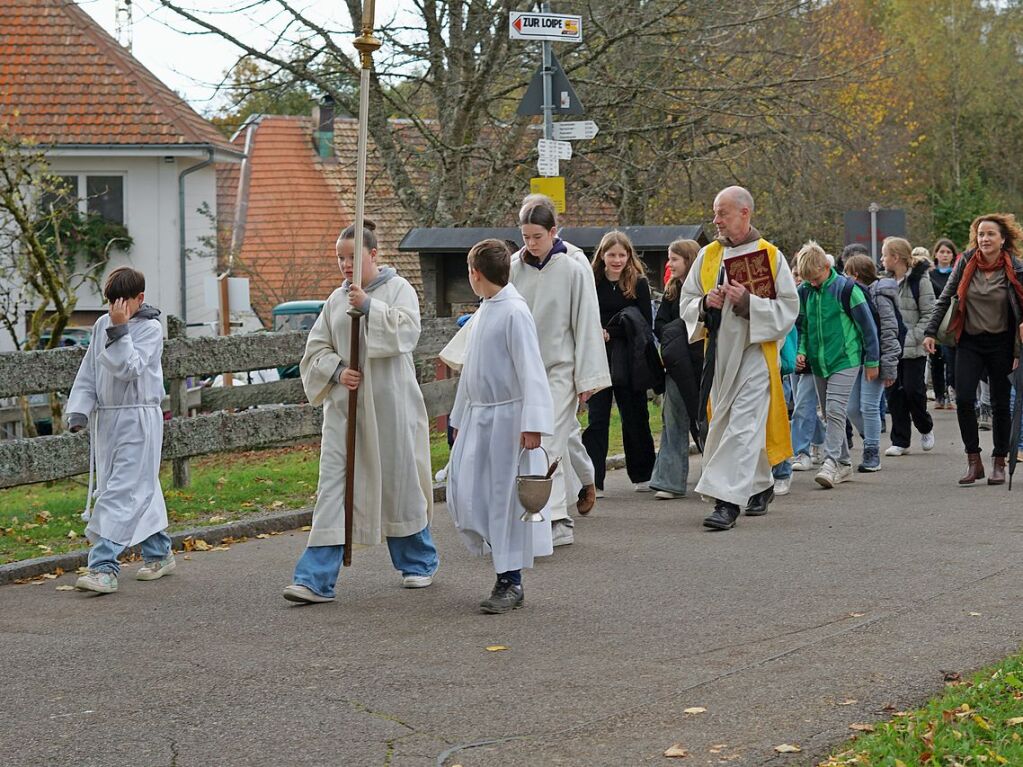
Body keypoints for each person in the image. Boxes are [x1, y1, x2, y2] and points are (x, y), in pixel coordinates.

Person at [283, 221, 438, 604]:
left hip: (390, 406)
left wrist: (369, 307)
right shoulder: (335, 301)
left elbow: (407, 333)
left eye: (352, 257)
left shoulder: (398, 289)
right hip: (344, 412)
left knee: (397, 482)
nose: (344, 264)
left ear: (373, 255)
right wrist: (338, 370)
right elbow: (314, 351)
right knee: (334, 487)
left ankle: (418, 561)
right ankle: (315, 578)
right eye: (339, 257)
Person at [680, 186, 799, 530]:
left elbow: (790, 309)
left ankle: (727, 502)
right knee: (726, 424)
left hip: (756, 353)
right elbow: (687, 300)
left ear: (745, 213)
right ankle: (761, 485)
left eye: (723, 213)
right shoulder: (707, 256)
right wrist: (706, 303)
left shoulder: (771, 255)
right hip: (720, 355)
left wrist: (749, 303)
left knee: (743, 425)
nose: (716, 220)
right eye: (716, 212)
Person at [447, 240, 553, 614]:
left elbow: (531, 369)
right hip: (480, 417)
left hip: (508, 420)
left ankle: (510, 581)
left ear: (476, 273)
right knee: (469, 492)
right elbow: (471, 371)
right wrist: (459, 418)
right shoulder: (486, 309)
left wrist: (533, 424)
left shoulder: (513, 312)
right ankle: (499, 562)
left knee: (505, 500)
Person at [510, 197, 610, 546]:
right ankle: (535, 514)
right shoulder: (513, 268)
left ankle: (556, 519)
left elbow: (586, 323)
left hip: (559, 370)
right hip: (522, 371)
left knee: (547, 441)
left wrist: (588, 379)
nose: (531, 244)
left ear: (554, 231)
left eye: (537, 236)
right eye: (525, 237)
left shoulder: (573, 267)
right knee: (528, 443)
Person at [67, 267, 172, 594]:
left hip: (139, 419)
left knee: (123, 490)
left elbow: (129, 368)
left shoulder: (150, 329)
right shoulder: (102, 324)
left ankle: (103, 567)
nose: (115, 310)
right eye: (111, 302)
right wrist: (79, 410)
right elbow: (90, 370)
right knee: (138, 485)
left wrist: (120, 330)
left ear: (139, 299)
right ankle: (160, 552)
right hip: (109, 421)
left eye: (122, 303)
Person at [924, 213, 1023, 485]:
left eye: (990, 234)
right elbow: (946, 298)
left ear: (1003, 239)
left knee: (1001, 404)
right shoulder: (966, 262)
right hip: (968, 341)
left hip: (1002, 344)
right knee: (965, 398)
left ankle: (999, 461)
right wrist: (931, 331)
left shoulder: (1015, 267)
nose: (985, 238)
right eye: (980, 234)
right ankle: (973, 460)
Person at [795, 243, 879, 488]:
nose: (813, 283)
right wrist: (801, 351)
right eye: (807, 279)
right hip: (819, 362)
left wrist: (872, 361)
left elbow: (868, 327)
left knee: (833, 408)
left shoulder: (848, 289)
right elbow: (802, 327)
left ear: (827, 266)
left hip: (846, 358)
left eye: (816, 277)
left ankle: (831, 462)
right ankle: (843, 463)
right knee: (832, 413)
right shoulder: (805, 291)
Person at [582, 230, 657, 494]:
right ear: (602, 255)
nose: (616, 260)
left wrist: (610, 332)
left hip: (629, 357)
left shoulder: (638, 283)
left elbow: (646, 323)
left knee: (635, 415)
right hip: (598, 357)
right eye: (611, 254)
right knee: (597, 418)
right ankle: (594, 481)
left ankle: (643, 474)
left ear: (629, 256)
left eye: (621, 255)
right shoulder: (590, 281)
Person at [650, 239, 703, 500]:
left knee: (706, 419)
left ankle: (717, 476)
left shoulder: (702, 290)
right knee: (672, 419)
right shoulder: (672, 291)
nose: (669, 264)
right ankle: (669, 480)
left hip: (701, 364)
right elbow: (660, 323)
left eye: (674, 259)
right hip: (675, 364)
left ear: (688, 260)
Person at [842, 254, 900, 472]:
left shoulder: (880, 295)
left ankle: (872, 451)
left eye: (848, 274)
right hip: (856, 359)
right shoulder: (853, 296)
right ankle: (870, 438)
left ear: (856, 275)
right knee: (851, 408)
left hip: (875, 360)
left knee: (868, 406)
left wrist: (887, 367)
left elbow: (889, 332)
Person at [881, 236, 936, 457]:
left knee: (914, 391)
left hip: (914, 348)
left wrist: (912, 337)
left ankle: (925, 427)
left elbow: (930, 314)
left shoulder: (920, 281)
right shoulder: (883, 282)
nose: (882, 259)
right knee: (894, 394)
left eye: (885, 254)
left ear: (895, 257)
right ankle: (900, 440)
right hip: (891, 349)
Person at [929, 238, 958, 409]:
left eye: (948, 252)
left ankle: (952, 392)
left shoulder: (956, 274)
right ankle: (940, 395)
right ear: (936, 254)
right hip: (934, 322)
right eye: (942, 252)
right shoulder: (930, 275)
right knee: (936, 360)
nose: (945, 255)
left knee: (951, 360)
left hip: (951, 324)